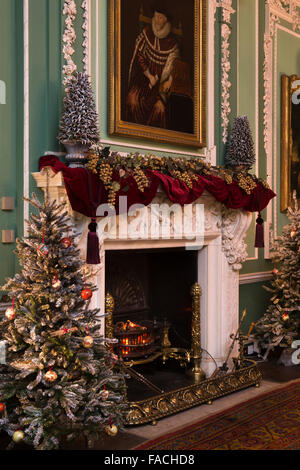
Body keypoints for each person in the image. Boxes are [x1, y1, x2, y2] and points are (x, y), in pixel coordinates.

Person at [126, 3, 180, 129]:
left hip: (159, 87)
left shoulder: (172, 43)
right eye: (155, 16)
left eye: (160, 17)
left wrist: (169, 81)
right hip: (143, 81)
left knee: (160, 109)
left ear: (166, 20)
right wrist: (149, 75)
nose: (157, 20)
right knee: (132, 100)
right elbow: (139, 57)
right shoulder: (147, 32)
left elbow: (176, 66)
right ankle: (134, 131)